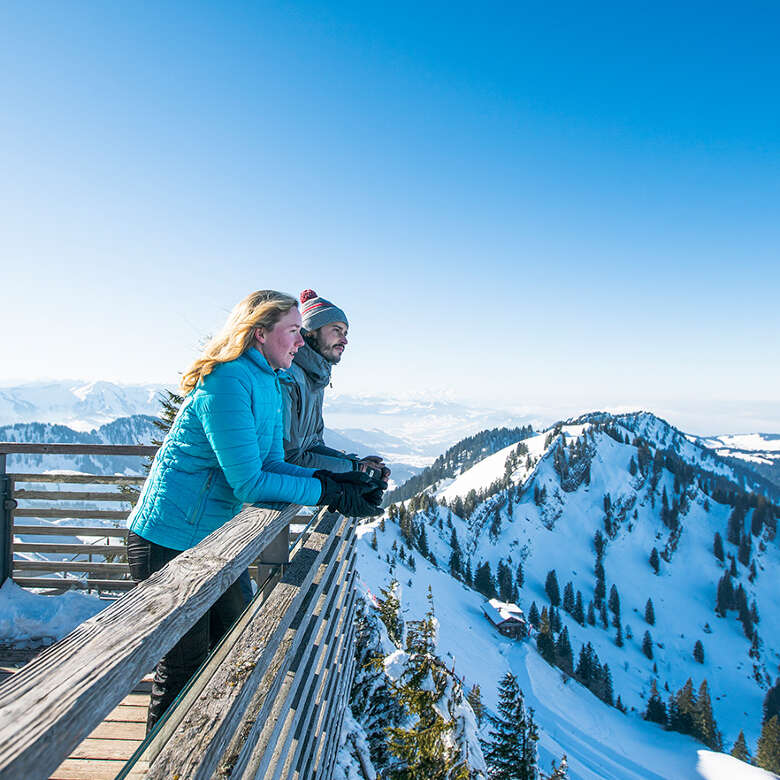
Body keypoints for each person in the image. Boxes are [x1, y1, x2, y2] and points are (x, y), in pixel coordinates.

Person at [126, 290, 382, 732]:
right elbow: (249, 481)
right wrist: (324, 490)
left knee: (235, 648)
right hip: (165, 540)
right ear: (259, 333)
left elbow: (272, 462)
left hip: (211, 541)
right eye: (291, 332)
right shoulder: (227, 382)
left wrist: (341, 479)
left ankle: (208, 751)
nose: (299, 341)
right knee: (185, 666)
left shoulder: (265, 380)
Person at [281, 289, 390, 481]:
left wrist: (355, 464)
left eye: (345, 333)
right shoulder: (288, 378)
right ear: (310, 331)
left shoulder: (314, 379)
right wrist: (355, 469)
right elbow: (288, 459)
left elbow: (313, 445)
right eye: (336, 330)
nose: (345, 340)